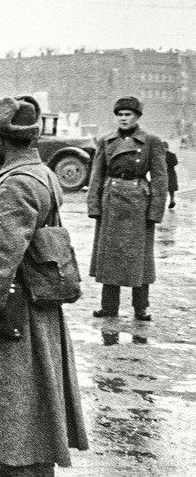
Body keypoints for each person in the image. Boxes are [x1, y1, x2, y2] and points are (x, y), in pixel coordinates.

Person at [0, 95, 88, 473]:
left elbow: (2, 255)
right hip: (36, 303)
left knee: (9, 403)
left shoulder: (14, 183)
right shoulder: (40, 173)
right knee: (34, 401)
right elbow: (2, 216)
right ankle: (30, 461)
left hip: (14, 310)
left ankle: (14, 466)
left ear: (1, 141)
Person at [88, 96, 167, 321]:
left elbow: (160, 179)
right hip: (111, 200)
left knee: (139, 258)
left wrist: (155, 211)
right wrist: (94, 205)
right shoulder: (106, 141)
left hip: (138, 203)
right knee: (110, 257)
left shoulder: (151, 141)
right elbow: (96, 175)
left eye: (128, 115)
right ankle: (108, 307)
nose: (123, 119)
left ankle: (140, 307)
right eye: (120, 115)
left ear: (137, 117)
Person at [165, 142, 178, 209]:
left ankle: (168, 201)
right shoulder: (172, 155)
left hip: (164, 173)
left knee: (164, 188)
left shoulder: (160, 156)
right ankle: (171, 199)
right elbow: (175, 163)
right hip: (171, 173)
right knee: (171, 188)